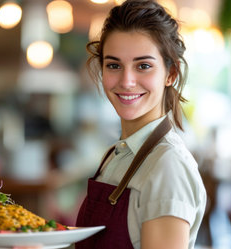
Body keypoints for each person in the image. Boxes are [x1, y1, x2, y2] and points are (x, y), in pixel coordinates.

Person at [75, 1, 207, 249]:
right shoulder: (115, 155)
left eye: (143, 66)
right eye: (114, 65)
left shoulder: (168, 166)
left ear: (171, 74)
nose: (126, 81)